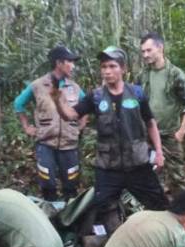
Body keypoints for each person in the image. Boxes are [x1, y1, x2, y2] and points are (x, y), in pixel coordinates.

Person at [51, 46, 169, 230]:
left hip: (138, 163)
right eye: (104, 67)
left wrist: (159, 152)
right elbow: (70, 115)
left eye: (112, 66)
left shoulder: (137, 93)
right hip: (108, 167)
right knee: (104, 206)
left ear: (123, 69)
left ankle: (163, 236)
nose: (107, 71)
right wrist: (58, 101)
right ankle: (113, 240)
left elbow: (150, 123)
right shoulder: (96, 97)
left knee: (159, 204)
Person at [14, 46, 87, 201]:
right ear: (59, 63)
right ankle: (50, 215)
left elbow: (86, 106)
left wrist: (80, 126)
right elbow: (19, 104)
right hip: (46, 143)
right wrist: (27, 127)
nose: (73, 66)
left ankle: (70, 217)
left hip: (69, 144)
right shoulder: (38, 85)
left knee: (71, 183)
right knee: (47, 183)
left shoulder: (74, 88)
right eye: (70, 62)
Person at [138, 32, 185, 196]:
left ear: (160, 48)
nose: (145, 55)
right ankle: (157, 213)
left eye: (149, 50)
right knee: (151, 177)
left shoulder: (176, 74)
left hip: (170, 135)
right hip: (148, 136)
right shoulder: (143, 75)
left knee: (177, 178)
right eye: (143, 52)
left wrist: (181, 132)